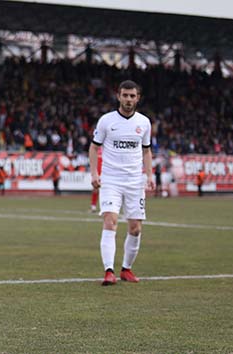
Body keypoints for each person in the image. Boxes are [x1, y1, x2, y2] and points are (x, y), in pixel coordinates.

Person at [89, 80, 155, 286]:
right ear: (118, 96)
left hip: (135, 182)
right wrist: (94, 173)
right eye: (125, 95)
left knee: (135, 228)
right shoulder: (106, 121)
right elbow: (93, 148)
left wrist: (150, 176)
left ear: (138, 98)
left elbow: (146, 150)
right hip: (111, 180)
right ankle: (109, 271)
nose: (128, 99)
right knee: (110, 221)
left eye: (132, 96)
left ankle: (126, 269)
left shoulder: (144, 123)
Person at [90, 147, 102, 213]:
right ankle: (93, 205)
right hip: (98, 171)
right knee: (95, 188)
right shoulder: (96, 146)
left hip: (106, 170)